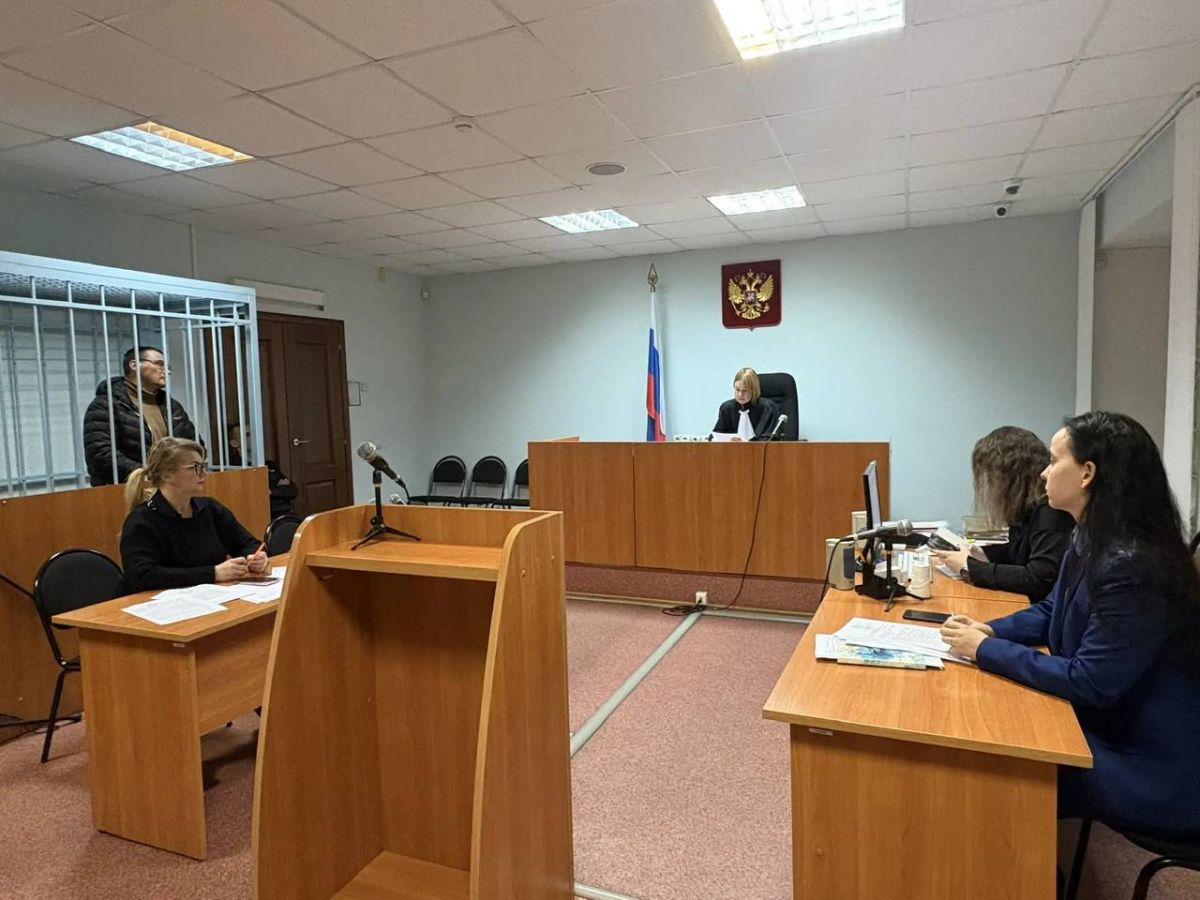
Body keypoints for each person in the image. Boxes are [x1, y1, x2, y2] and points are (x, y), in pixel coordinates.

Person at [941, 412, 1200, 837]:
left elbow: (1089, 682)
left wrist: (985, 650)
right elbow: (1051, 611)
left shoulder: (1132, 565)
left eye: (1053, 460)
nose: (1043, 472)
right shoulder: (1091, 537)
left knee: (990, 764)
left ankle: (1023, 868)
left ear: (1087, 474)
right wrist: (991, 631)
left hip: (1149, 768)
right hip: (1110, 728)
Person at [931, 426, 1074, 602]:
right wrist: (978, 552)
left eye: (994, 476)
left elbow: (1038, 578)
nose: (991, 484)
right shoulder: (1026, 508)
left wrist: (969, 567)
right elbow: (1017, 553)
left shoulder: (1051, 512)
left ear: (1013, 476)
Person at [119, 437, 268, 592]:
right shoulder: (141, 521)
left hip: (209, 596)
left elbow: (248, 543)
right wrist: (213, 574)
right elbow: (143, 576)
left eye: (203, 467)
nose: (204, 474)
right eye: (195, 467)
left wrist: (255, 558)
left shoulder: (210, 509)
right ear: (167, 475)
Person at [83, 345, 198, 485]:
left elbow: (195, 445)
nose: (166, 371)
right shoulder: (107, 405)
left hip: (171, 486)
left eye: (167, 366)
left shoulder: (171, 406)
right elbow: (101, 455)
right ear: (134, 365)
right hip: (127, 488)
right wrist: (149, 474)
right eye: (159, 363)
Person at [712, 367, 780, 441]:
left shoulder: (767, 408)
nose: (740, 394)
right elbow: (717, 436)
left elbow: (767, 439)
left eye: (745, 391)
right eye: (737, 389)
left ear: (754, 390)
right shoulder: (727, 408)